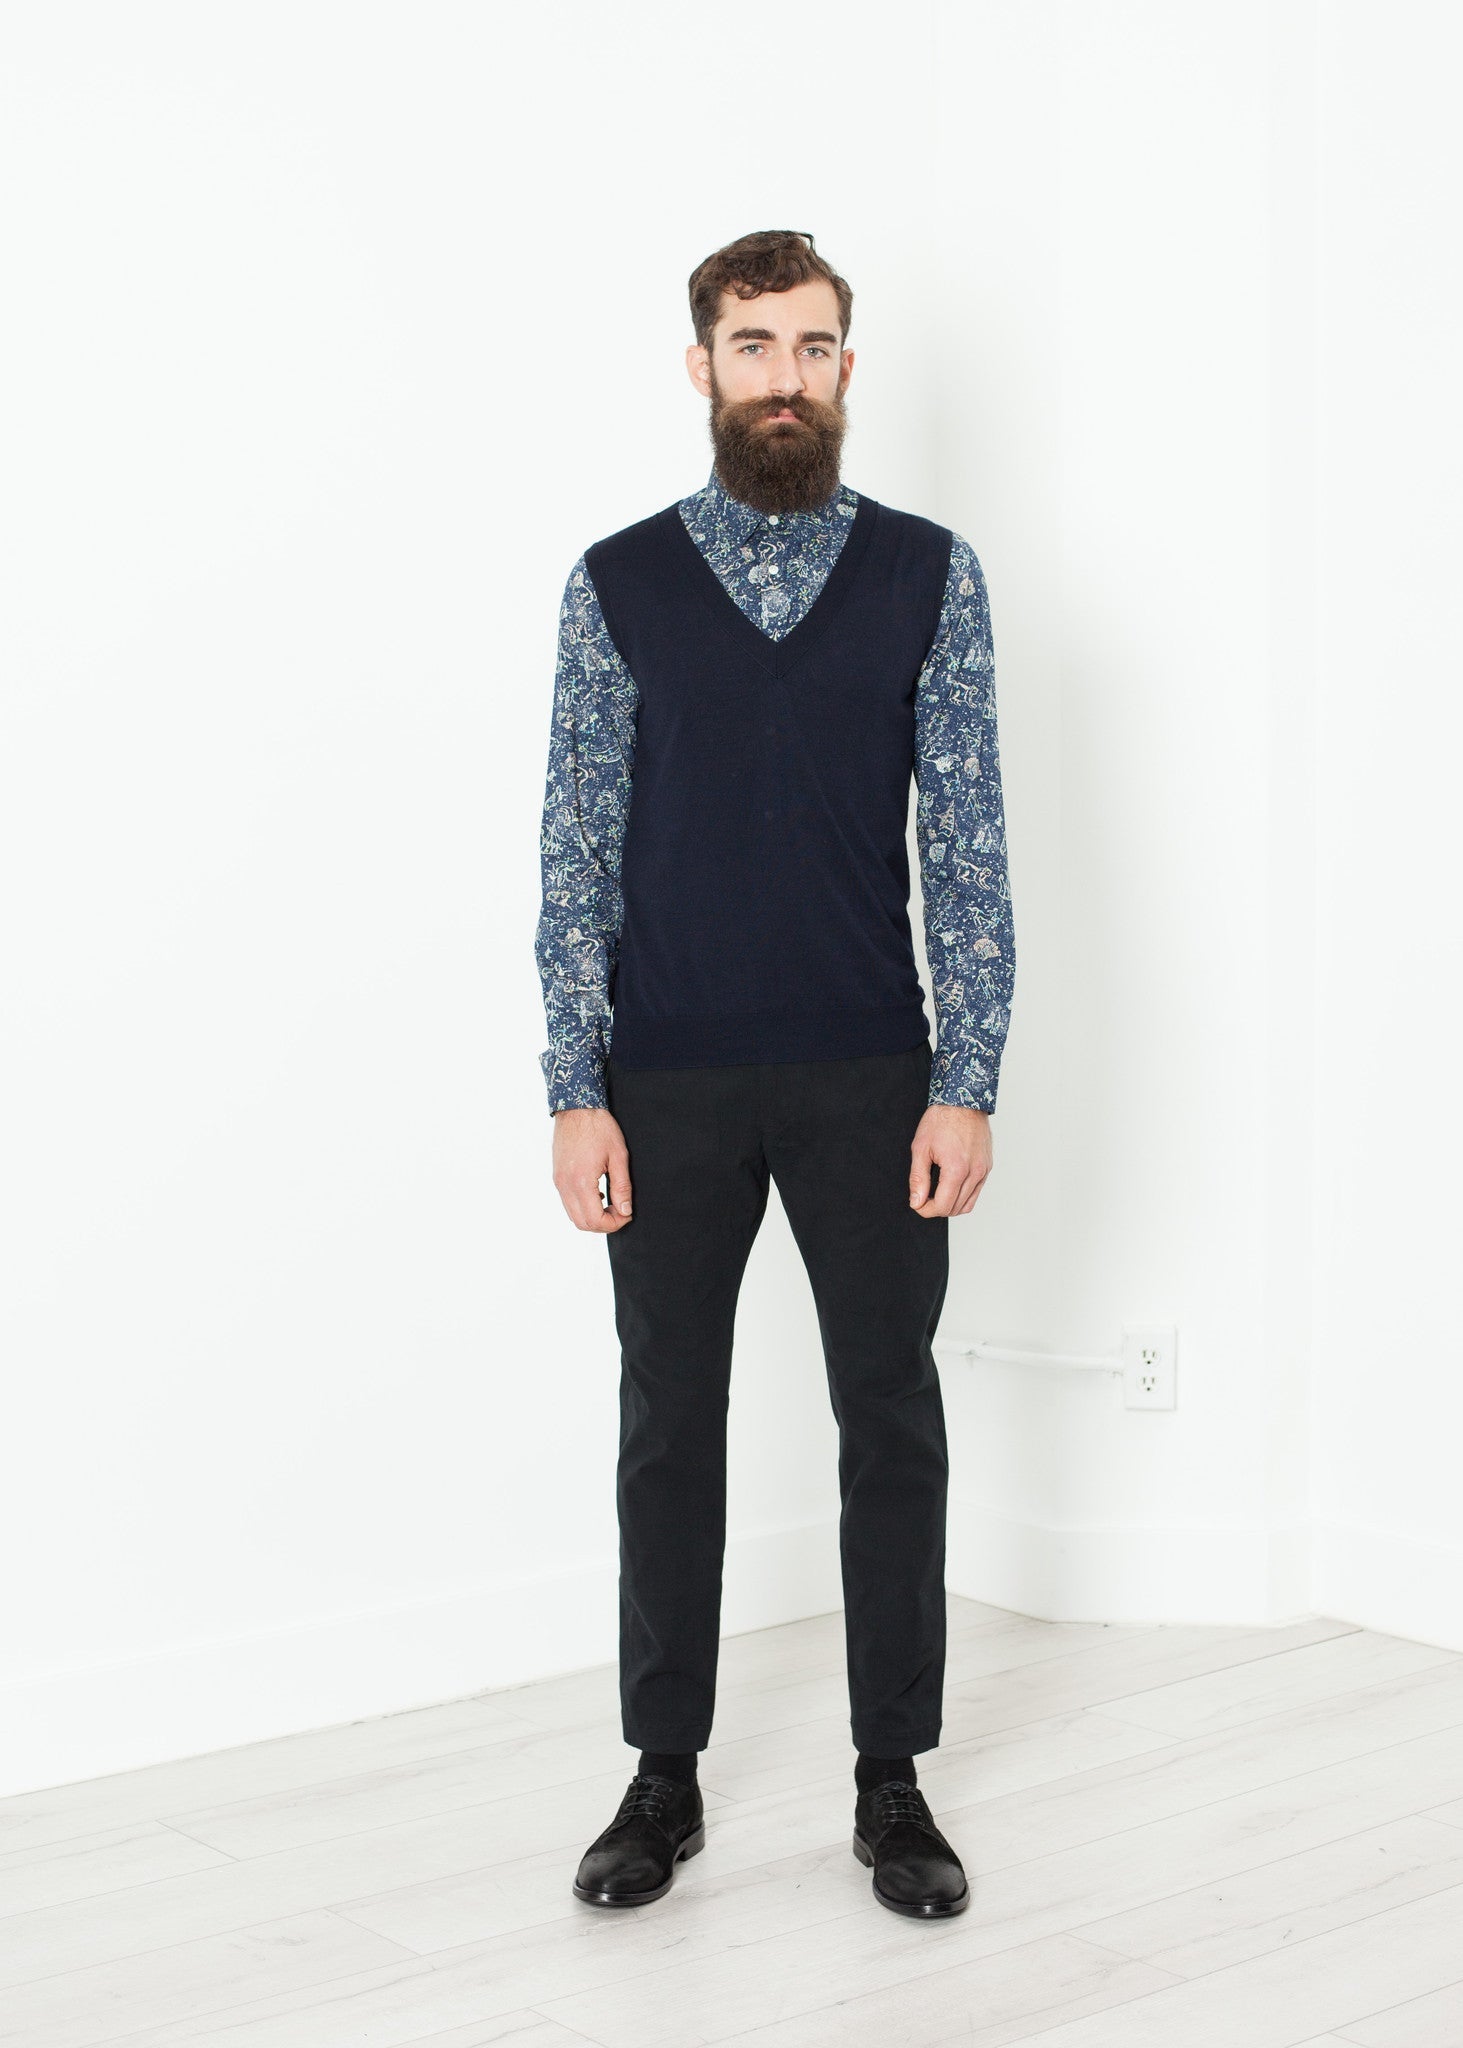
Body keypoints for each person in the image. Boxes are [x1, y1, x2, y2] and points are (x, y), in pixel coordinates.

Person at [533, 228, 1015, 1917]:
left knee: (890, 1416)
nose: (784, 378)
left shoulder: (929, 576)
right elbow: (576, 848)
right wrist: (572, 1085)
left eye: (812, 348)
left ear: (846, 370)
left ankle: (894, 1780)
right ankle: (662, 1775)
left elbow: (969, 844)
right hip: (662, 1080)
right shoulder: (617, 584)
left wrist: (970, 1075)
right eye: (754, 347)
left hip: (873, 1075)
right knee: (669, 1422)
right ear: (704, 368)